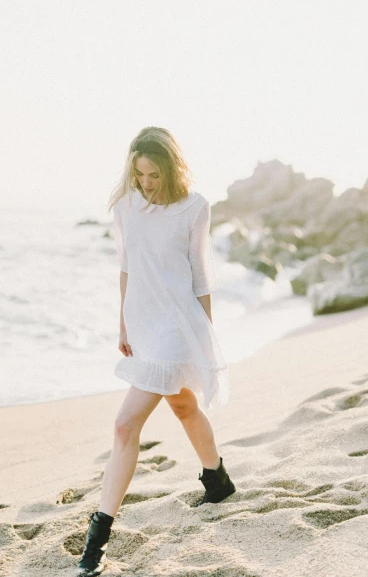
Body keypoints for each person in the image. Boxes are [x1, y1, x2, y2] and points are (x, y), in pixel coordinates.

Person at [76, 126, 235, 576]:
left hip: (177, 325)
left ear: (171, 167)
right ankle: (217, 479)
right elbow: (127, 268)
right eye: (139, 173)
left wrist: (204, 336)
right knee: (183, 406)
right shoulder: (127, 207)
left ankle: (97, 538)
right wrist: (124, 322)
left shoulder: (194, 208)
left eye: (154, 173)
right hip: (143, 324)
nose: (146, 182)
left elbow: (201, 277)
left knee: (125, 425)